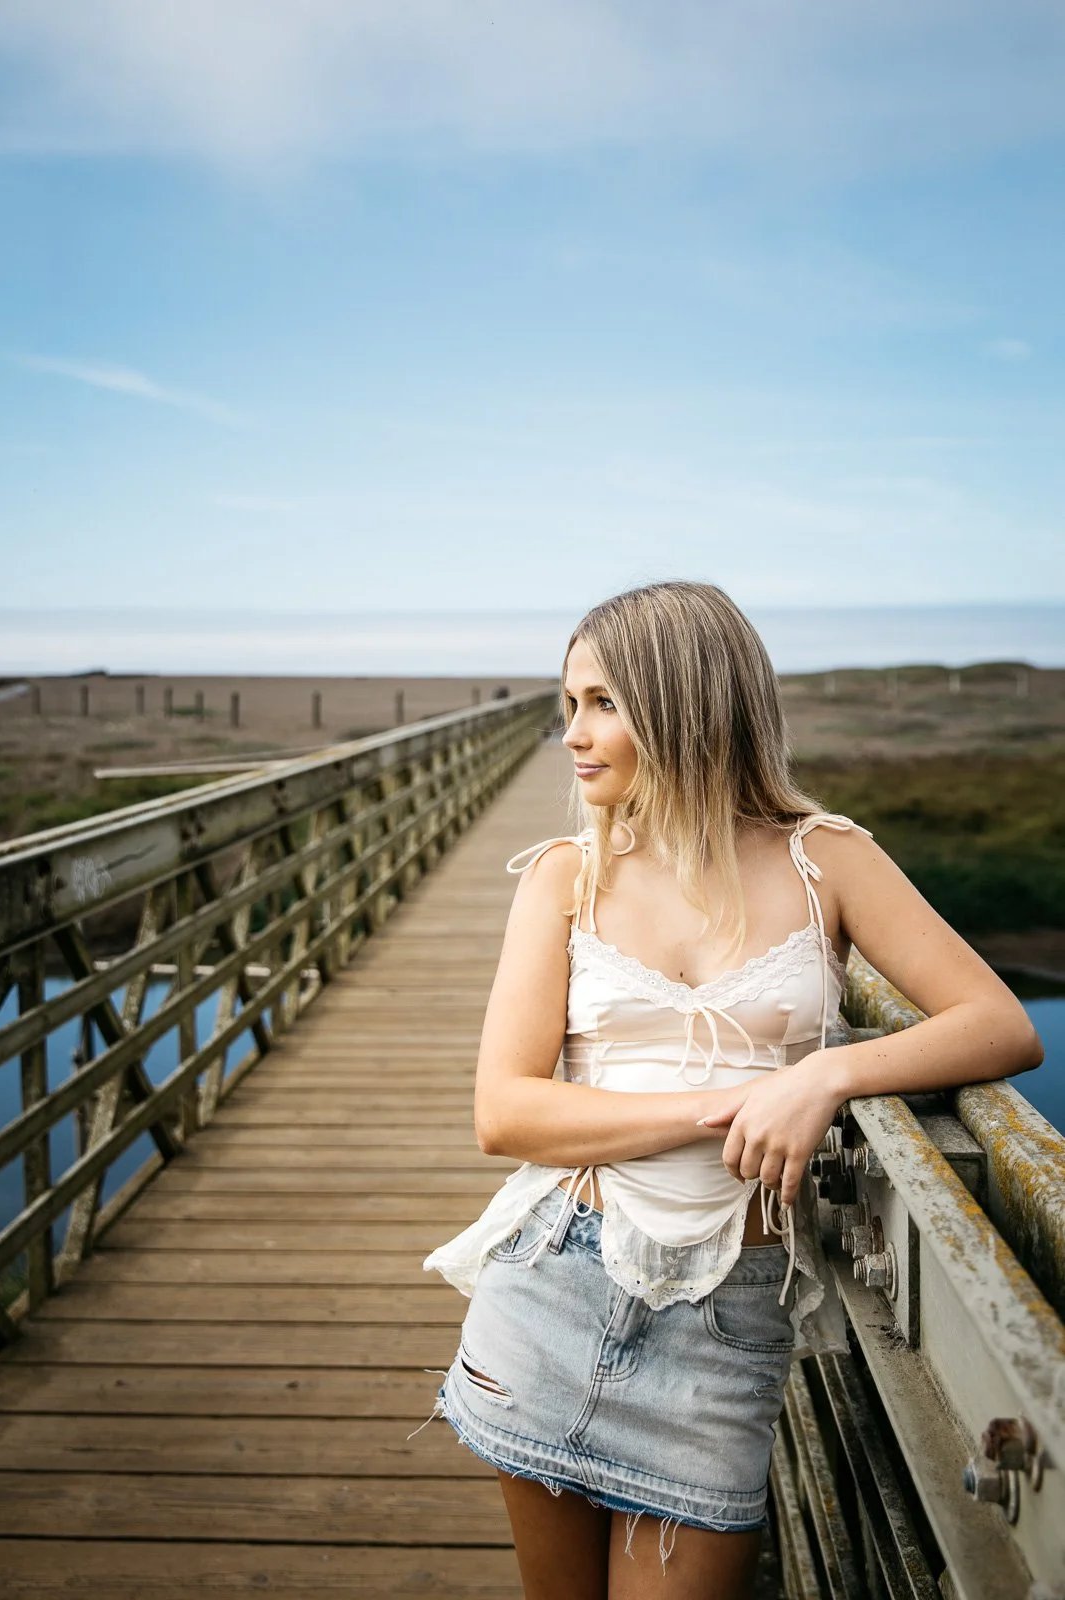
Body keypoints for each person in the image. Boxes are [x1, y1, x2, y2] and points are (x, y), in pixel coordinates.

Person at [423, 581, 1042, 1600]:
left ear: (685, 704)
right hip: (554, 1283)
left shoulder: (824, 860)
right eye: (566, 701)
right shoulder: (564, 877)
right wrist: (725, 1107)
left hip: (726, 1322)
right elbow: (506, 1112)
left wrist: (825, 1073)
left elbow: (996, 1023)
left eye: (601, 703)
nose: (571, 733)